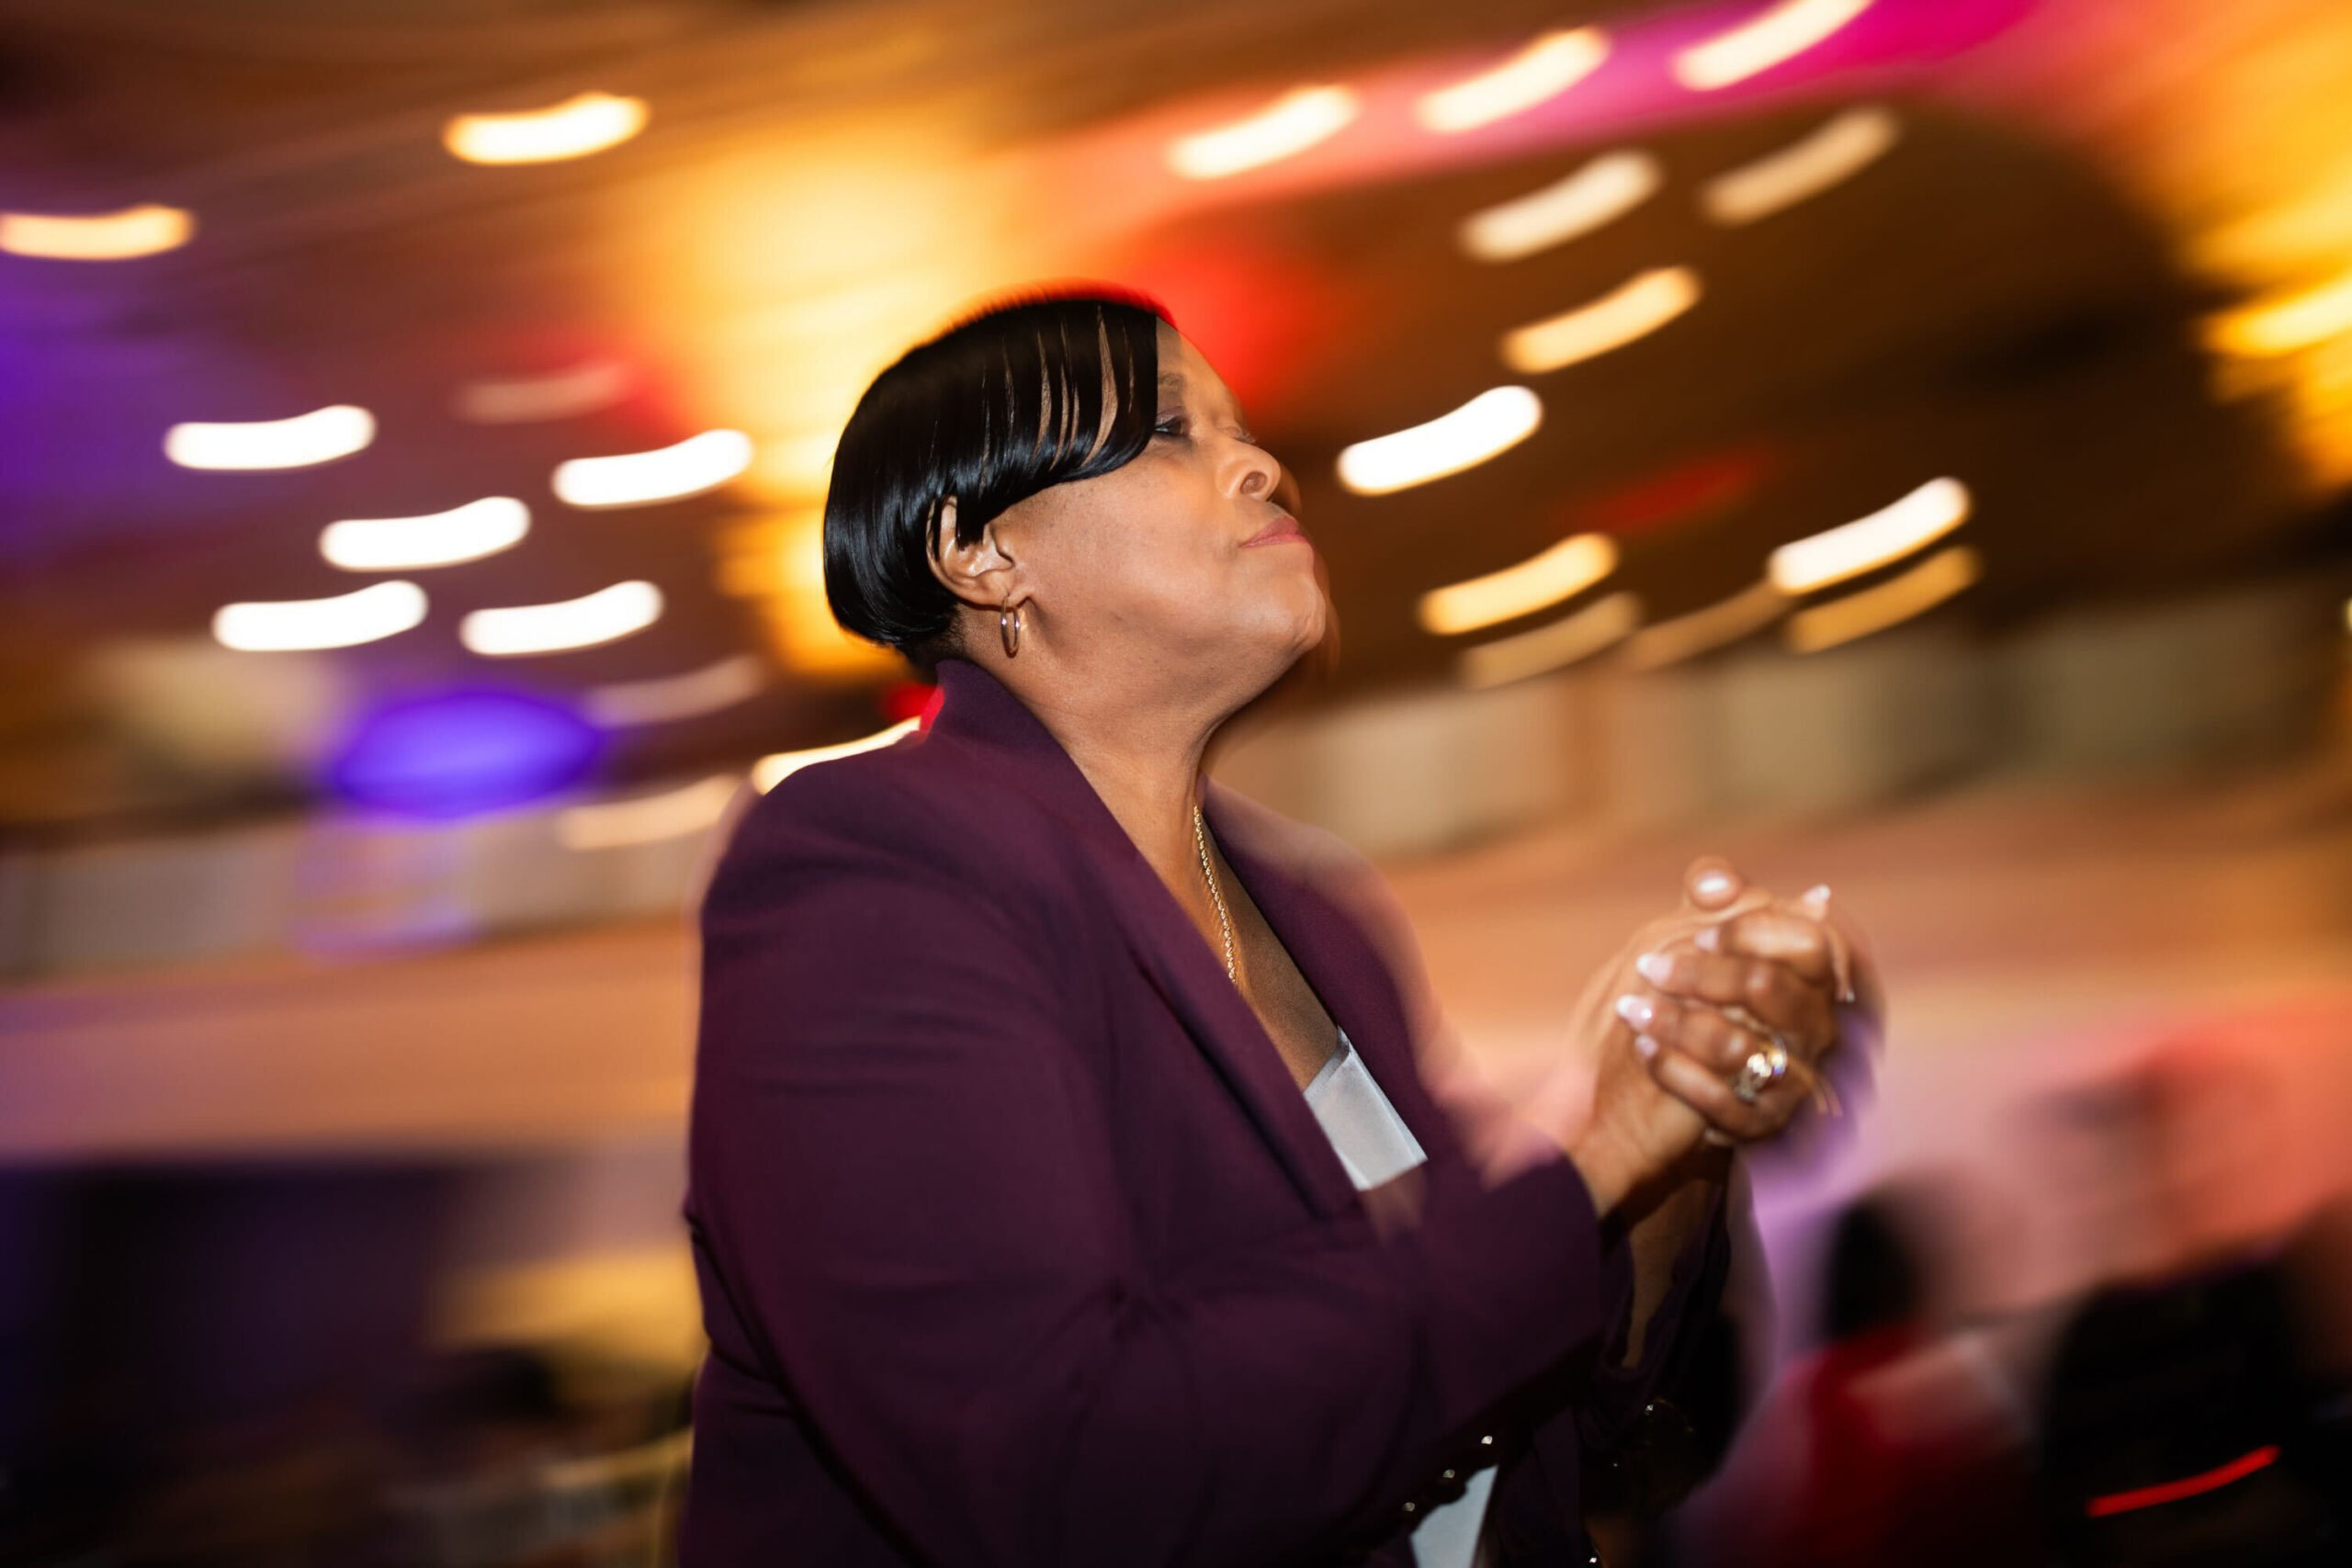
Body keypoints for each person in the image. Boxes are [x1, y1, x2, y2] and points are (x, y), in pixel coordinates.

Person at [680, 289, 1869, 1566]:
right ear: (980, 553)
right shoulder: (875, 864)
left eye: (1243, 431)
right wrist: (1591, 1153)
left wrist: (1670, 1127)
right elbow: (1070, 1478)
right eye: (1173, 434)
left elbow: (1537, 1412)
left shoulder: (1310, 907)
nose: (1259, 465)